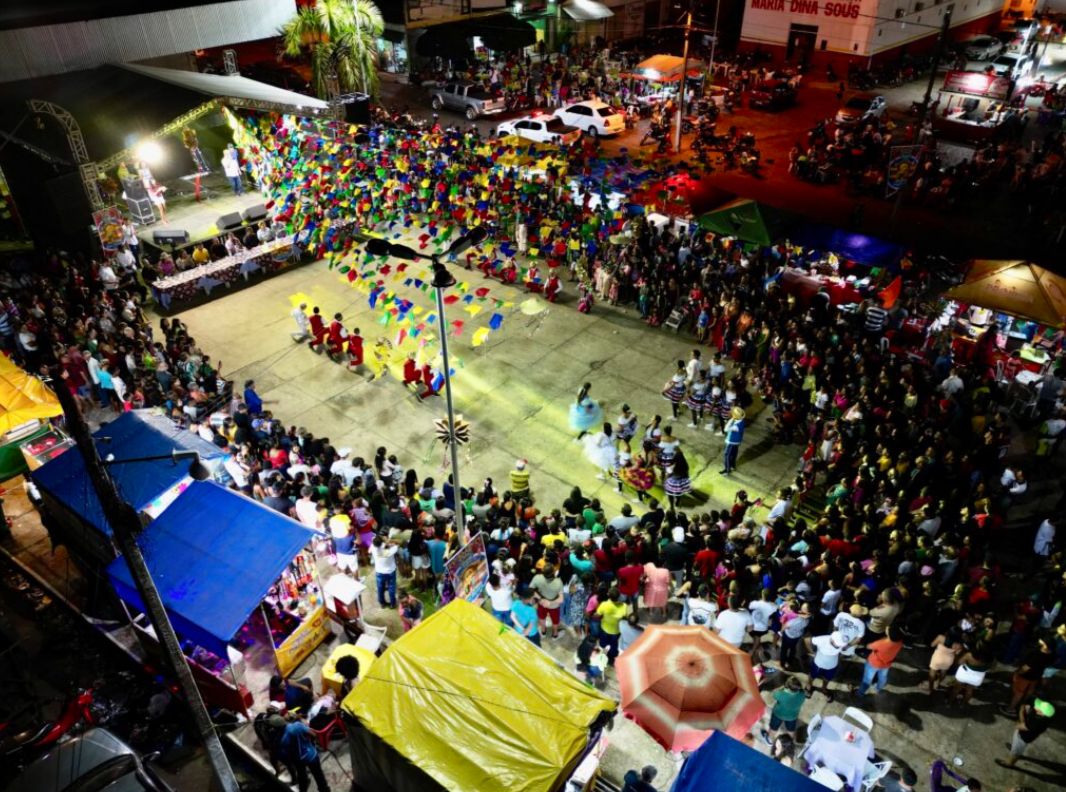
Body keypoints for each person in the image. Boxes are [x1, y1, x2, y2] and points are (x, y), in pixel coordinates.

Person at [996, 698, 1055, 769]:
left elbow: (1020, 726)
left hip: (1023, 738)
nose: (1035, 707)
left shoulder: (1035, 723)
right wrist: (1027, 710)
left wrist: (1021, 711)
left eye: (1038, 707)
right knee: (1016, 745)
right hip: (1023, 735)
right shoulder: (1044, 718)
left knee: (1016, 752)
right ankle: (1014, 748)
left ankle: (1009, 763)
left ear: (1041, 713)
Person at [280, 710, 331, 792]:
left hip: (298, 760)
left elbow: (286, 753)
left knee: (302, 777)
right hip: (311, 756)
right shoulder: (298, 725)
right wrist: (310, 742)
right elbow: (313, 734)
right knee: (319, 777)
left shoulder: (283, 737)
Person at [858, 625, 904, 696]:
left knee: (867, 679)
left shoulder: (881, 643)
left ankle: (860, 693)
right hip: (887, 664)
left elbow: (869, 646)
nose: (887, 628)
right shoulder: (900, 642)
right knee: (882, 677)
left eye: (888, 629)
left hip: (873, 663)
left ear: (890, 634)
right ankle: (878, 688)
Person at [762, 675, 806, 744]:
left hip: (778, 714)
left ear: (787, 688)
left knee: (773, 729)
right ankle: (790, 742)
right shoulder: (802, 694)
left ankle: (770, 740)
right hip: (792, 716)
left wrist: (782, 688)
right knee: (791, 731)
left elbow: (774, 694)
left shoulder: (780, 694)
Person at [806, 630, 848, 702]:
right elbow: (807, 640)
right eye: (838, 644)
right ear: (832, 639)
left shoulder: (843, 640)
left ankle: (824, 689)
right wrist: (811, 651)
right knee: (812, 676)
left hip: (832, 666)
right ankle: (808, 688)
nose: (840, 646)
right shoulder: (822, 639)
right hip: (818, 664)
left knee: (827, 678)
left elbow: (844, 649)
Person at [530, 564, 565, 639]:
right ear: (553, 572)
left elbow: (531, 590)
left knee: (542, 617)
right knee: (555, 620)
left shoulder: (537, 578)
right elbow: (561, 599)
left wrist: (541, 599)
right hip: (554, 606)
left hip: (542, 603)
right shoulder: (558, 582)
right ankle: (555, 635)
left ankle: (543, 632)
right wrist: (550, 602)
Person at [596, 588, 628, 665]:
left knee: (603, 643)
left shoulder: (604, 605)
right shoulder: (624, 606)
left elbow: (597, 615)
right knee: (613, 644)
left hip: (605, 628)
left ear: (608, 596)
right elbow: (624, 618)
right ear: (619, 596)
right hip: (616, 630)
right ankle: (611, 658)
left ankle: (604, 655)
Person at [370, 535, 399, 608]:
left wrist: (385, 543)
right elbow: (397, 544)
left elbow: (374, 541)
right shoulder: (390, 551)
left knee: (380, 588)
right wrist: (388, 542)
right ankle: (393, 603)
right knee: (391, 588)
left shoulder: (373, 548)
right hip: (390, 572)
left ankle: (382, 603)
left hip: (379, 572)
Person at [721, 406, 746, 475]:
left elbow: (726, 429)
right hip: (737, 442)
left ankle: (727, 470)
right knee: (734, 454)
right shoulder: (741, 421)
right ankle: (732, 466)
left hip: (732, 442)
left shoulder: (736, 426)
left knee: (727, 455)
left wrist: (731, 419)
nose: (730, 413)